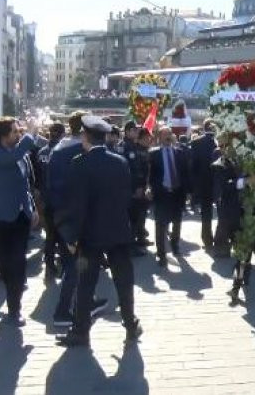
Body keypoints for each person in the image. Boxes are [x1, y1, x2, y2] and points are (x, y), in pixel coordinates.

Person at [56, 116, 142, 347]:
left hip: (90, 234)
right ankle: (130, 325)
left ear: (85, 137)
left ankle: (80, 331)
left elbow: (76, 204)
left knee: (86, 284)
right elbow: (126, 197)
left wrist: (71, 236)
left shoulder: (79, 163)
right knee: (124, 281)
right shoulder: (120, 161)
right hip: (117, 231)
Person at [0, 117, 38, 326]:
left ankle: (15, 308)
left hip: (20, 216)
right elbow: (11, 158)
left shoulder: (20, 155)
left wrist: (31, 208)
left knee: (19, 260)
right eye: (15, 132)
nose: (18, 134)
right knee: (6, 262)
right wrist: (30, 133)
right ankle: (10, 287)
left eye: (19, 131)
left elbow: (24, 185)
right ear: (4, 135)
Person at [148, 126, 191, 267]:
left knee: (177, 222)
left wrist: (188, 192)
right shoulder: (154, 154)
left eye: (169, 134)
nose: (167, 137)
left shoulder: (180, 152)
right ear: (159, 137)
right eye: (164, 135)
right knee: (160, 224)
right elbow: (150, 175)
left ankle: (175, 244)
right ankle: (161, 254)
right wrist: (150, 188)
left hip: (177, 193)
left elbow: (185, 173)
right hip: (162, 193)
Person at [36, 122, 66, 280]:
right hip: (60, 199)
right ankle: (62, 262)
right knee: (62, 234)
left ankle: (49, 263)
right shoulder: (63, 152)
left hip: (45, 199)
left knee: (49, 234)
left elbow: (36, 176)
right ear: (62, 134)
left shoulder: (41, 151)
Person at [118, 121, 148, 256]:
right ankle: (129, 246)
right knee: (131, 219)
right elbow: (130, 170)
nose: (137, 133)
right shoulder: (125, 146)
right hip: (130, 188)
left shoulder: (132, 145)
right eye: (135, 131)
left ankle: (133, 242)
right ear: (128, 131)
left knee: (135, 218)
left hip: (133, 187)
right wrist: (136, 188)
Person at [189, 119, 218, 250]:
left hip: (204, 183)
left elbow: (193, 166)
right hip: (219, 181)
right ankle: (220, 239)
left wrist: (194, 187)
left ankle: (207, 239)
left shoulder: (196, 142)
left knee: (206, 212)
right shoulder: (222, 141)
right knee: (222, 212)